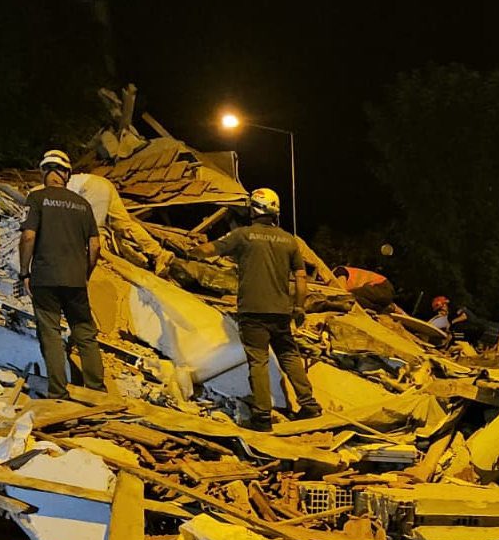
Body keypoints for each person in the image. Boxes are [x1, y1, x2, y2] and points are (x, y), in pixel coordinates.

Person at [188, 187, 321, 428]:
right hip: (281, 312)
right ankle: (309, 404)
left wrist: (190, 253)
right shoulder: (289, 241)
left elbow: (211, 249)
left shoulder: (243, 235)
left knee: (258, 361)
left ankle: (262, 416)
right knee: (289, 355)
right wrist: (299, 308)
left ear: (254, 209)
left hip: (253, 311)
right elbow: (301, 278)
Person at [19, 149, 106, 399]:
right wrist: (85, 273)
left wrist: (25, 272)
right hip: (75, 280)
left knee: (51, 334)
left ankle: (58, 393)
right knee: (85, 333)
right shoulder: (83, 204)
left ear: (43, 171)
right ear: (66, 174)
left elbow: (28, 236)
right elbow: (96, 246)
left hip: (44, 279)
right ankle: (97, 392)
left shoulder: (36, 199)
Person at [67, 172, 174, 276]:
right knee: (123, 224)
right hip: (102, 183)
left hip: (88, 188)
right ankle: (160, 254)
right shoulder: (61, 181)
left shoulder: (51, 193)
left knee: (95, 232)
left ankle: (101, 264)